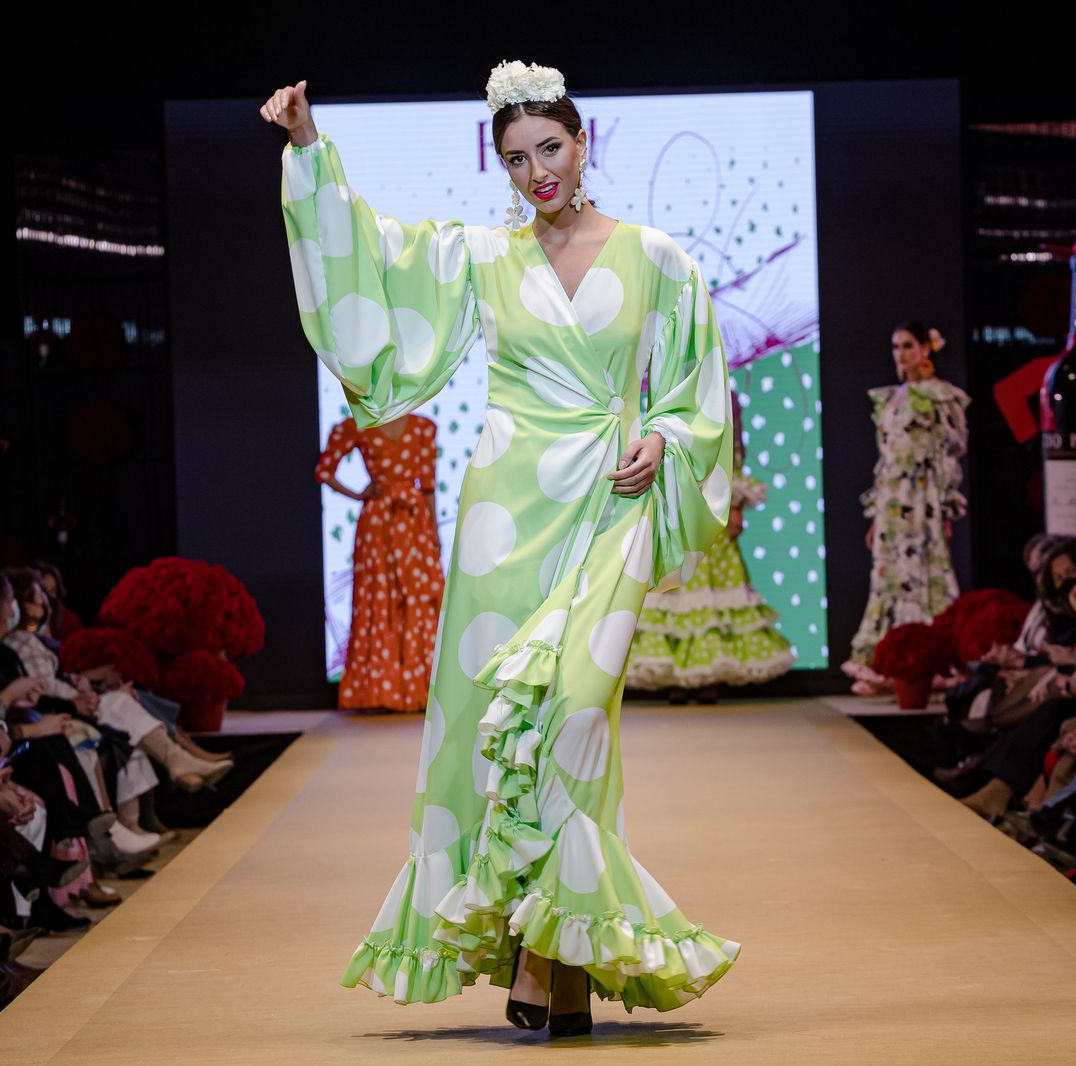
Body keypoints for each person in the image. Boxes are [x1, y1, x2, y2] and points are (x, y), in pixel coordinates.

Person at [265, 60, 739, 1034]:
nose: (537, 172)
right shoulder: (483, 256)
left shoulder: (656, 256)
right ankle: (545, 956)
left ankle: (547, 945)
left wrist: (669, 436)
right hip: (502, 514)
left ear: (583, 141)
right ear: (502, 165)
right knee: (496, 732)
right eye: (517, 158)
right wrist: (310, 153)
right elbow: (374, 261)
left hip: (610, 505)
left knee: (572, 714)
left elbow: (697, 390)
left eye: (550, 148)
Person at [628, 402, 795, 702]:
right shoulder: (671, 397)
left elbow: (734, 458)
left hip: (713, 512)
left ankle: (709, 679)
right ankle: (677, 679)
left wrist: (737, 508)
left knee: (715, 600)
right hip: (680, 508)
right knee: (676, 592)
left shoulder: (726, 399)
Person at [843, 320, 970, 692]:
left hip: (922, 497)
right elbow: (886, 460)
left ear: (926, 349)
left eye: (908, 346)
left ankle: (932, 665)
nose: (901, 354)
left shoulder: (939, 396)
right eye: (897, 347)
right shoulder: (893, 398)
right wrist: (876, 514)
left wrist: (944, 504)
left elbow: (949, 452)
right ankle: (888, 665)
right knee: (889, 576)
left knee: (923, 572)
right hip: (892, 501)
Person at [315, 412, 445, 712]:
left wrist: (434, 533)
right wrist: (359, 494)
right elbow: (324, 471)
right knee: (380, 598)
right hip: (378, 527)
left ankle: (423, 688)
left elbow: (427, 485)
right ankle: (382, 690)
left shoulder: (423, 427)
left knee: (419, 597)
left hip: (414, 524)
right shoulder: (359, 424)